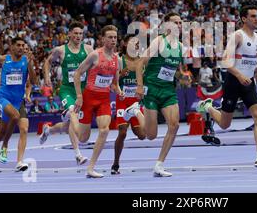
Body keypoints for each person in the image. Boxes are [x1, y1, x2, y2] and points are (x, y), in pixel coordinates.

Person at [197, 5, 257, 168]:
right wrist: (239, 75)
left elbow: (250, 62)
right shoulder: (237, 36)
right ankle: (209, 107)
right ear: (244, 19)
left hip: (248, 83)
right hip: (233, 82)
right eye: (253, 16)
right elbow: (225, 61)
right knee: (225, 125)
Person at [135, 12, 185, 177]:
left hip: (168, 91)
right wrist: (140, 86)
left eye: (180, 22)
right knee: (151, 135)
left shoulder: (180, 46)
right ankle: (135, 111)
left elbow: (172, 70)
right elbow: (140, 62)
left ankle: (159, 164)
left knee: (175, 125)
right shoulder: (159, 41)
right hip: (151, 89)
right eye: (175, 22)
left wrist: (182, 76)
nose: (178, 25)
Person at [0, 37, 37, 171]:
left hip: (17, 100)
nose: (21, 48)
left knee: (4, 131)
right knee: (15, 117)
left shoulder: (26, 61)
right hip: (3, 98)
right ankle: (5, 147)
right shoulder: (4, 59)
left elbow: (34, 81)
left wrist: (31, 64)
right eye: (19, 45)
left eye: (23, 45)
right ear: (12, 47)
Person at [73, 25, 125, 178]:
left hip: (104, 99)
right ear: (103, 39)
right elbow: (77, 73)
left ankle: (91, 167)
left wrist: (119, 92)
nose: (113, 40)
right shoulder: (95, 55)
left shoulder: (117, 59)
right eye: (110, 37)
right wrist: (79, 96)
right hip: (89, 97)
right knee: (83, 138)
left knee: (104, 130)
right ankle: (72, 116)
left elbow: (114, 84)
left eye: (115, 37)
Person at [40, 21, 93, 165]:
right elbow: (47, 62)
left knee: (69, 124)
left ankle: (48, 130)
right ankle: (78, 155)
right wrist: (47, 77)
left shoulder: (88, 49)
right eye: (75, 33)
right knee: (72, 114)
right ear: (69, 34)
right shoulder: (61, 50)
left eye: (80, 34)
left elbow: (96, 66)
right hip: (67, 90)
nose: (78, 36)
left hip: (82, 91)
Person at [111, 35, 146, 175]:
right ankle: (115, 164)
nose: (136, 45)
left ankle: (134, 111)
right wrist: (120, 75)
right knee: (123, 132)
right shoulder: (119, 60)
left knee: (142, 135)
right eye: (132, 42)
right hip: (123, 101)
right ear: (125, 44)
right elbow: (113, 83)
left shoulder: (142, 61)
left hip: (136, 102)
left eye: (138, 43)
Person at [0, 43, 34, 165]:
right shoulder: (8, 61)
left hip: (19, 102)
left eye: (27, 50)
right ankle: (3, 146)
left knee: (24, 129)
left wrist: (28, 95)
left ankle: (19, 162)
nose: (25, 51)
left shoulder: (27, 64)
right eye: (24, 49)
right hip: (6, 99)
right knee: (3, 129)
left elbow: (31, 82)